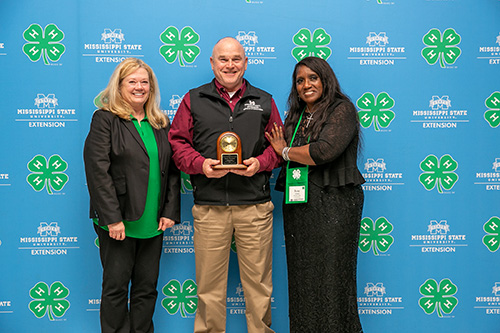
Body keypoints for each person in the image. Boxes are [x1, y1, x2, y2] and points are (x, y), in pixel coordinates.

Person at [168, 37, 283, 333]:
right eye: (223, 59)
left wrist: (260, 163)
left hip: (255, 207)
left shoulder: (264, 100)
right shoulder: (193, 99)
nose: (230, 65)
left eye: (236, 59)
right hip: (210, 208)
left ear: (245, 62)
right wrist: (201, 165)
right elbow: (178, 144)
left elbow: (279, 148)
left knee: (259, 287)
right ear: (212, 63)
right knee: (209, 289)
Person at [265, 56, 365, 333]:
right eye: (300, 80)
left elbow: (323, 152)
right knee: (303, 279)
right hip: (301, 206)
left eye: (313, 78)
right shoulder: (295, 117)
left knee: (332, 278)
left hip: (335, 204)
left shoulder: (341, 109)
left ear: (325, 80)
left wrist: (284, 151)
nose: (306, 84)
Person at [83, 57, 180, 333]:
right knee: (115, 289)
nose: (139, 87)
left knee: (147, 289)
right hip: (120, 222)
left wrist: (169, 211)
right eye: (132, 82)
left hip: (153, 222)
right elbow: (97, 171)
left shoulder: (160, 122)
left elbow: (172, 171)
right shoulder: (105, 119)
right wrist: (112, 218)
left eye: (144, 82)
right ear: (120, 85)